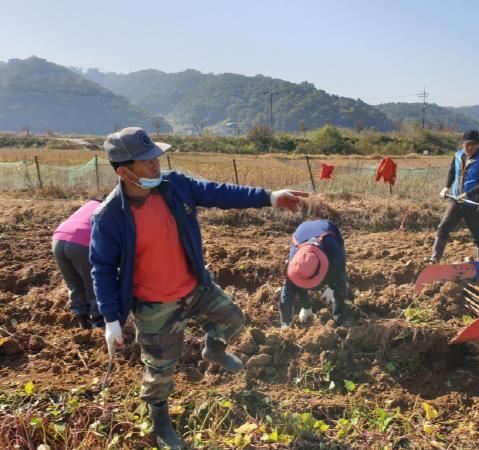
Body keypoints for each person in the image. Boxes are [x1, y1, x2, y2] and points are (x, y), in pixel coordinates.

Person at [90, 127, 307, 450]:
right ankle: (161, 424)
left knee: (234, 319)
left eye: (156, 157)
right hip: (155, 304)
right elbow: (102, 268)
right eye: (147, 161)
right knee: (160, 371)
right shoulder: (109, 216)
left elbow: (219, 192)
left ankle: (214, 350)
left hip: (195, 285)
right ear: (124, 172)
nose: (156, 164)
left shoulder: (175, 186)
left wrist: (269, 197)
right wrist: (111, 319)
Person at [431, 130, 479, 263]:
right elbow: (452, 171)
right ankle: (434, 259)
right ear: (463, 144)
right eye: (467, 145)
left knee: (477, 235)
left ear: (478, 144)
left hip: (474, 203)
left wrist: (467, 194)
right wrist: (446, 187)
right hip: (456, 200)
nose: (469, 147)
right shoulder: (458, 155)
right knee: (443, 227)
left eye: (473, 144)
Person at [279, 219, 348, 328]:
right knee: (287, 293)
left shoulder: (332, 250)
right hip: (302, 231)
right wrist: (306, 307)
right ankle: (285, 325)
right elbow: (297, 285)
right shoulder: (293, 262)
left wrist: (331, 287)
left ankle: (339, 317)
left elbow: (340, 267)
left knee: (340, 283)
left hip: (326, 228)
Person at [52, 199, 104, 329]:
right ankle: (99, 322)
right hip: (81, 243)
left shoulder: (90, 204)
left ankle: (82, 320)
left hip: (58, 239)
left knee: (74, 283)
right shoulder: (109, 209)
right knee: (94, 284)